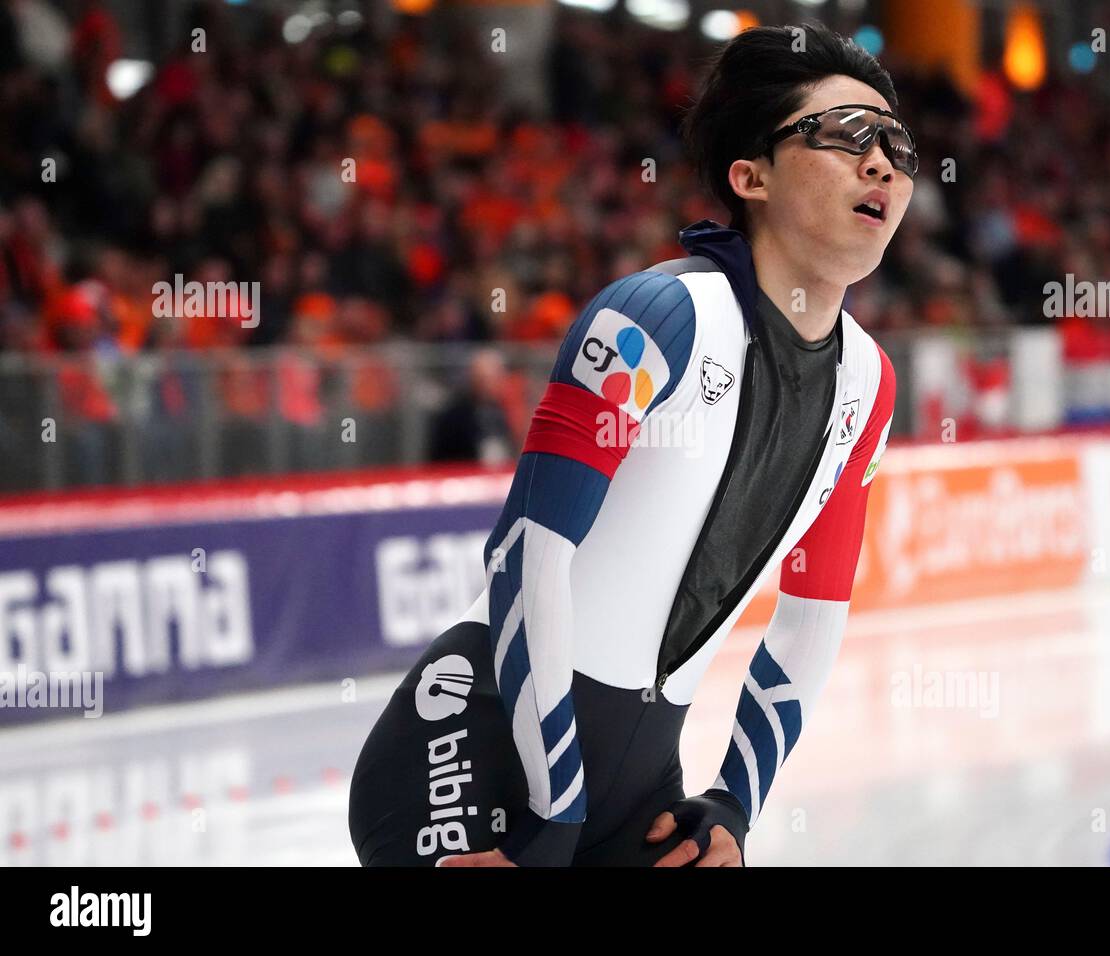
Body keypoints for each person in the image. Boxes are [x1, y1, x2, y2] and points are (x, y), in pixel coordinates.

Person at [348, 22, 912, 867]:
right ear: (749, 176)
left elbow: (812, 617)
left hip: (637, 786)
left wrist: (732, 802)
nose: (883, 165)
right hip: (476, 748)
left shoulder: (868, 384)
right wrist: (557, 806)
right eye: (844, 136)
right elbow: (525, 555)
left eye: (898, 145)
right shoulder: (658, 319)